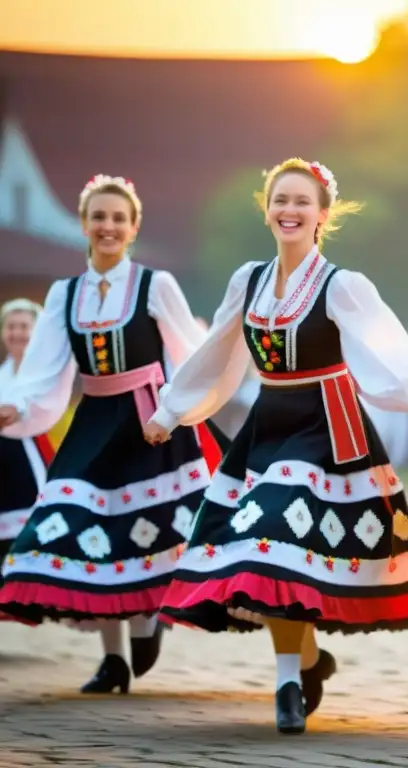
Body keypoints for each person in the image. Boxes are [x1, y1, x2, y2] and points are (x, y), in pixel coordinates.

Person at [143, 158, 408, 735]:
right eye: (281, 200)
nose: (290, 210)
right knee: (270, 550)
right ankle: (302, 664)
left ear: (322, 215)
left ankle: (287, 682)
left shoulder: (341, 284)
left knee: (275, 533)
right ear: (267, 208)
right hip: (268, 425)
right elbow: (218, 353)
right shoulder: (247, 281)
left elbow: (384, 344)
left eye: (302, 202)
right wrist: (171, 410)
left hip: (327, 428)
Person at [0, 175, 226, 691]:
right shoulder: (65, 293)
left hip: (149, 421)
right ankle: (112, 658)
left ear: (133, 227)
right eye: (99, 217)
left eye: (118, 218)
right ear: (84, 224)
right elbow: (44, 366)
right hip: (95, 420)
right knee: (83, 527)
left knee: (149, 529)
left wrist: (178, 409)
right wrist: (16, 405)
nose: (108, 226)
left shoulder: (155, 285)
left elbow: (189, 354)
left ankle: (148, 622)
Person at [0, 299, 54, 606]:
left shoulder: (45, 373)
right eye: (11, 326)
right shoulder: (2, 373)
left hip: (33, 453)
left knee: (33, 524)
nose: (17, 333)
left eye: (24, 327)